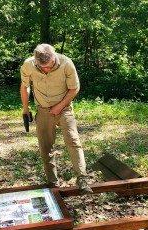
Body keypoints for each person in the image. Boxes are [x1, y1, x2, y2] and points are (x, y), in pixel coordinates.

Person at [20, 43, 93, 194]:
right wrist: (25, 109)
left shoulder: (66, 63)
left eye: (50, 66)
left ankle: (82, 178)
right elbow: (24, 86)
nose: (47, 69)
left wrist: (60, 106)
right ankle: (53, 182)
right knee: (46, 147)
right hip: (43, 110)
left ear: (54, 56)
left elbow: (74, 88)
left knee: (73, 141)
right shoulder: (28, 65)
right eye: (43, 67)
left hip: (64, 109)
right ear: (36, 60)